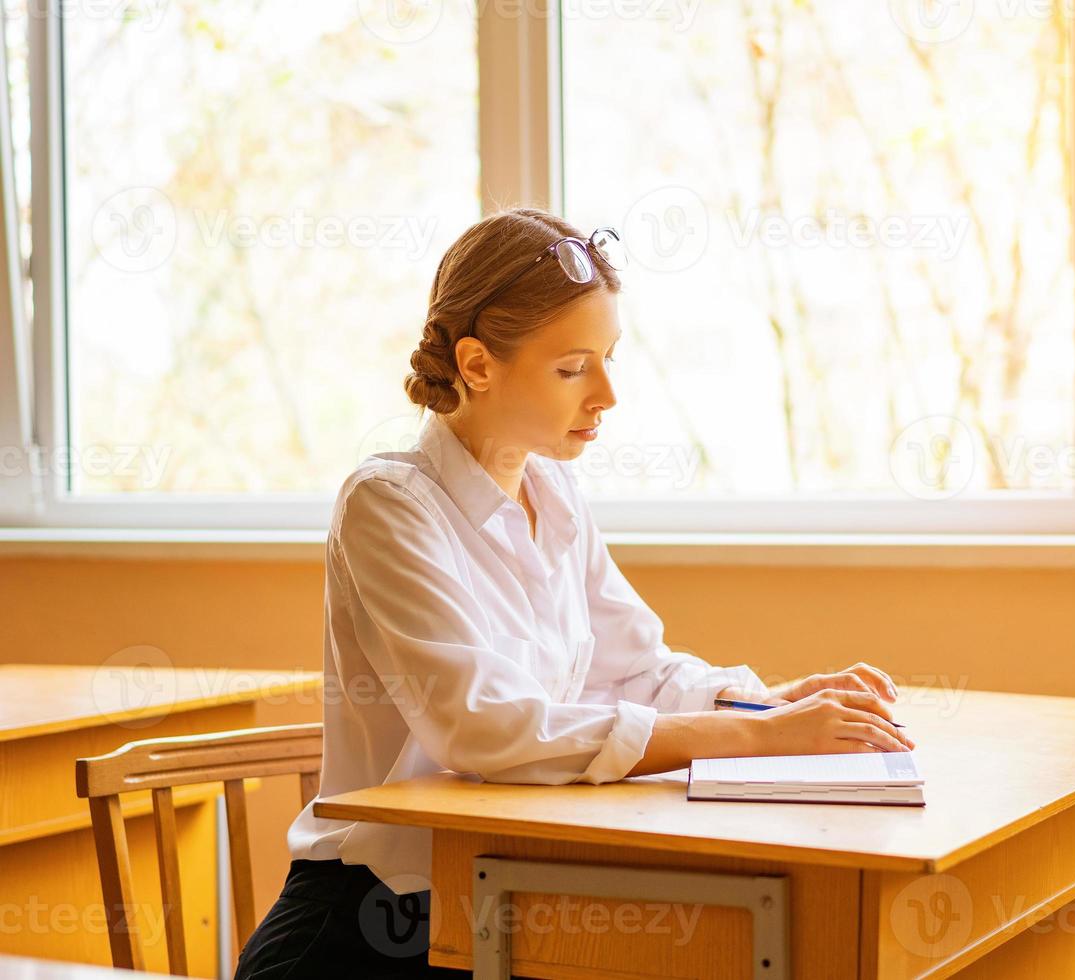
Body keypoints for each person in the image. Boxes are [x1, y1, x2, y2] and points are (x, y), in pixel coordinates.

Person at [234, 208, 915, 978]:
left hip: (501, 891)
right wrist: (757, 739)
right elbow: (486, 728)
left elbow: (637, 672)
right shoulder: (388, 504)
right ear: (478, 365)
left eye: (609, 358)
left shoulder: (552, 492)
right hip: (372, 917)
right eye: (573, 367)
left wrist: (767, 703)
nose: (607, 395)